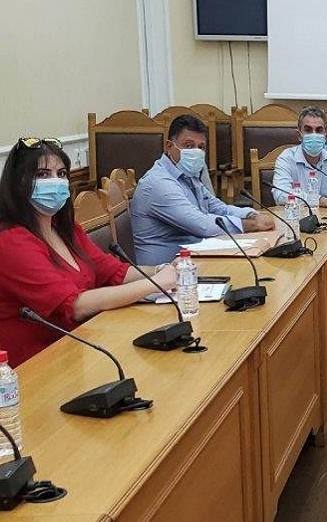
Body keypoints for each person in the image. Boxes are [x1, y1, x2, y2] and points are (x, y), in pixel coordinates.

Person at [0, 137, 180, 366]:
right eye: (43, 174)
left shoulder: (64, 229)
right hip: (36, 365)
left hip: (81, 348)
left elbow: (114, 272)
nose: (55, 181)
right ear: (19, 183)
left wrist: (162, 269)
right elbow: (76, 306)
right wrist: (156, 283)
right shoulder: (11, 242)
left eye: (61, 174)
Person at [132, 114, 275, 265]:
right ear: (169, 146)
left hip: (194, 258)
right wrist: (253, 224)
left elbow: (218, 208)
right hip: (165, 271)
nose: (196, 152)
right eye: (188, 146)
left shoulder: (187, 175)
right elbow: (202, 226)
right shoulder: (159, 183)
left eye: (201, 147)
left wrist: (252, 214)